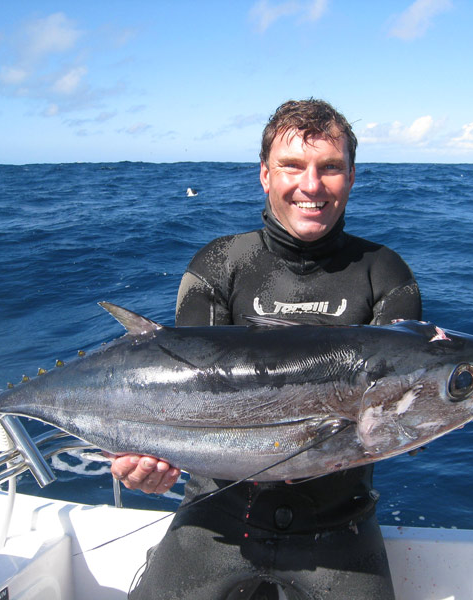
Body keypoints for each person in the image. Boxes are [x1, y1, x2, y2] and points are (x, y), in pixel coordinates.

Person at [115, 99, 422, 600]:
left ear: (351, 176)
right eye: (292, 166)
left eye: (330, 168)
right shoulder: (218, 264)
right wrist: (144, 459)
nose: (312, 185)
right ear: (264, 174)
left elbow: (398, 406)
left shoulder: (385, 274)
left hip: (339, 524)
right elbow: (180, 395)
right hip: (214, 515)